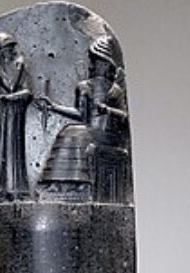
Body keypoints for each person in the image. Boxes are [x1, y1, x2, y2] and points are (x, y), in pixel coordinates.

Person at [36, 35, 129, 202]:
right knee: (68, 131)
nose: (95, 65)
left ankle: (80, 183)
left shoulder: (115, 90)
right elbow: (80, 115)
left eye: (99, 61)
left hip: (107, 134)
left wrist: (107, 110)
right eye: (94, 61)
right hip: (90, 130)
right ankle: (60, 184)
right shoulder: (84, 86)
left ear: (107, 65)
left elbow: (124, 116)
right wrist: (53, 107)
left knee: (76, 134)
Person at [0, 32, 32, 201]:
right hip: (0, 115)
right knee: (2, 151)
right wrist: (20, 69)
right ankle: (0, 188)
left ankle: (16, 187)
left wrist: (16, 96)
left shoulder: (13, 68)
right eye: (10, 49)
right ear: (1, 51)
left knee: (14, 152)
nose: (13, 52)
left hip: (14, 114)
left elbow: (27, 93)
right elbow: (11, 87)